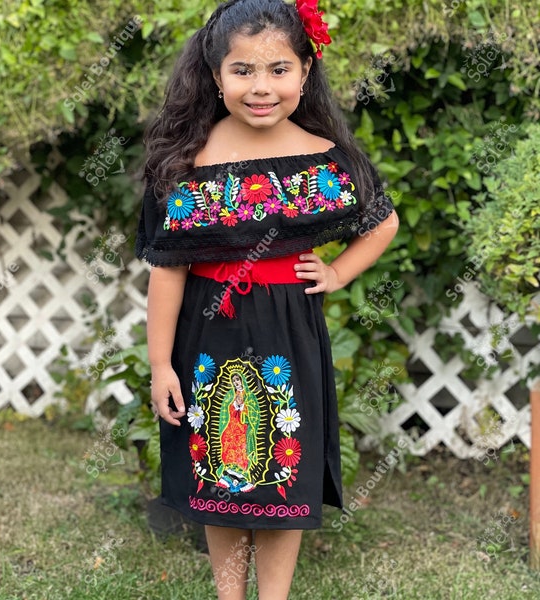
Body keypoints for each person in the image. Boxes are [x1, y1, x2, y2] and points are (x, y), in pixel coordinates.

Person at [135, 0, 399, 598]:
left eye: (279, 69)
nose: (261, 87)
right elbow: (168, 271)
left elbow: (382, 223)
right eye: (242, 71)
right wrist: (159, 365)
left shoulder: (324, 160)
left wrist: (336, 274)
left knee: (286, 474)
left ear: (306, 72)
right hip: (207, 339)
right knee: (221, 476)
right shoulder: (186, 164)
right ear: (214, 74)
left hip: (290, 338)